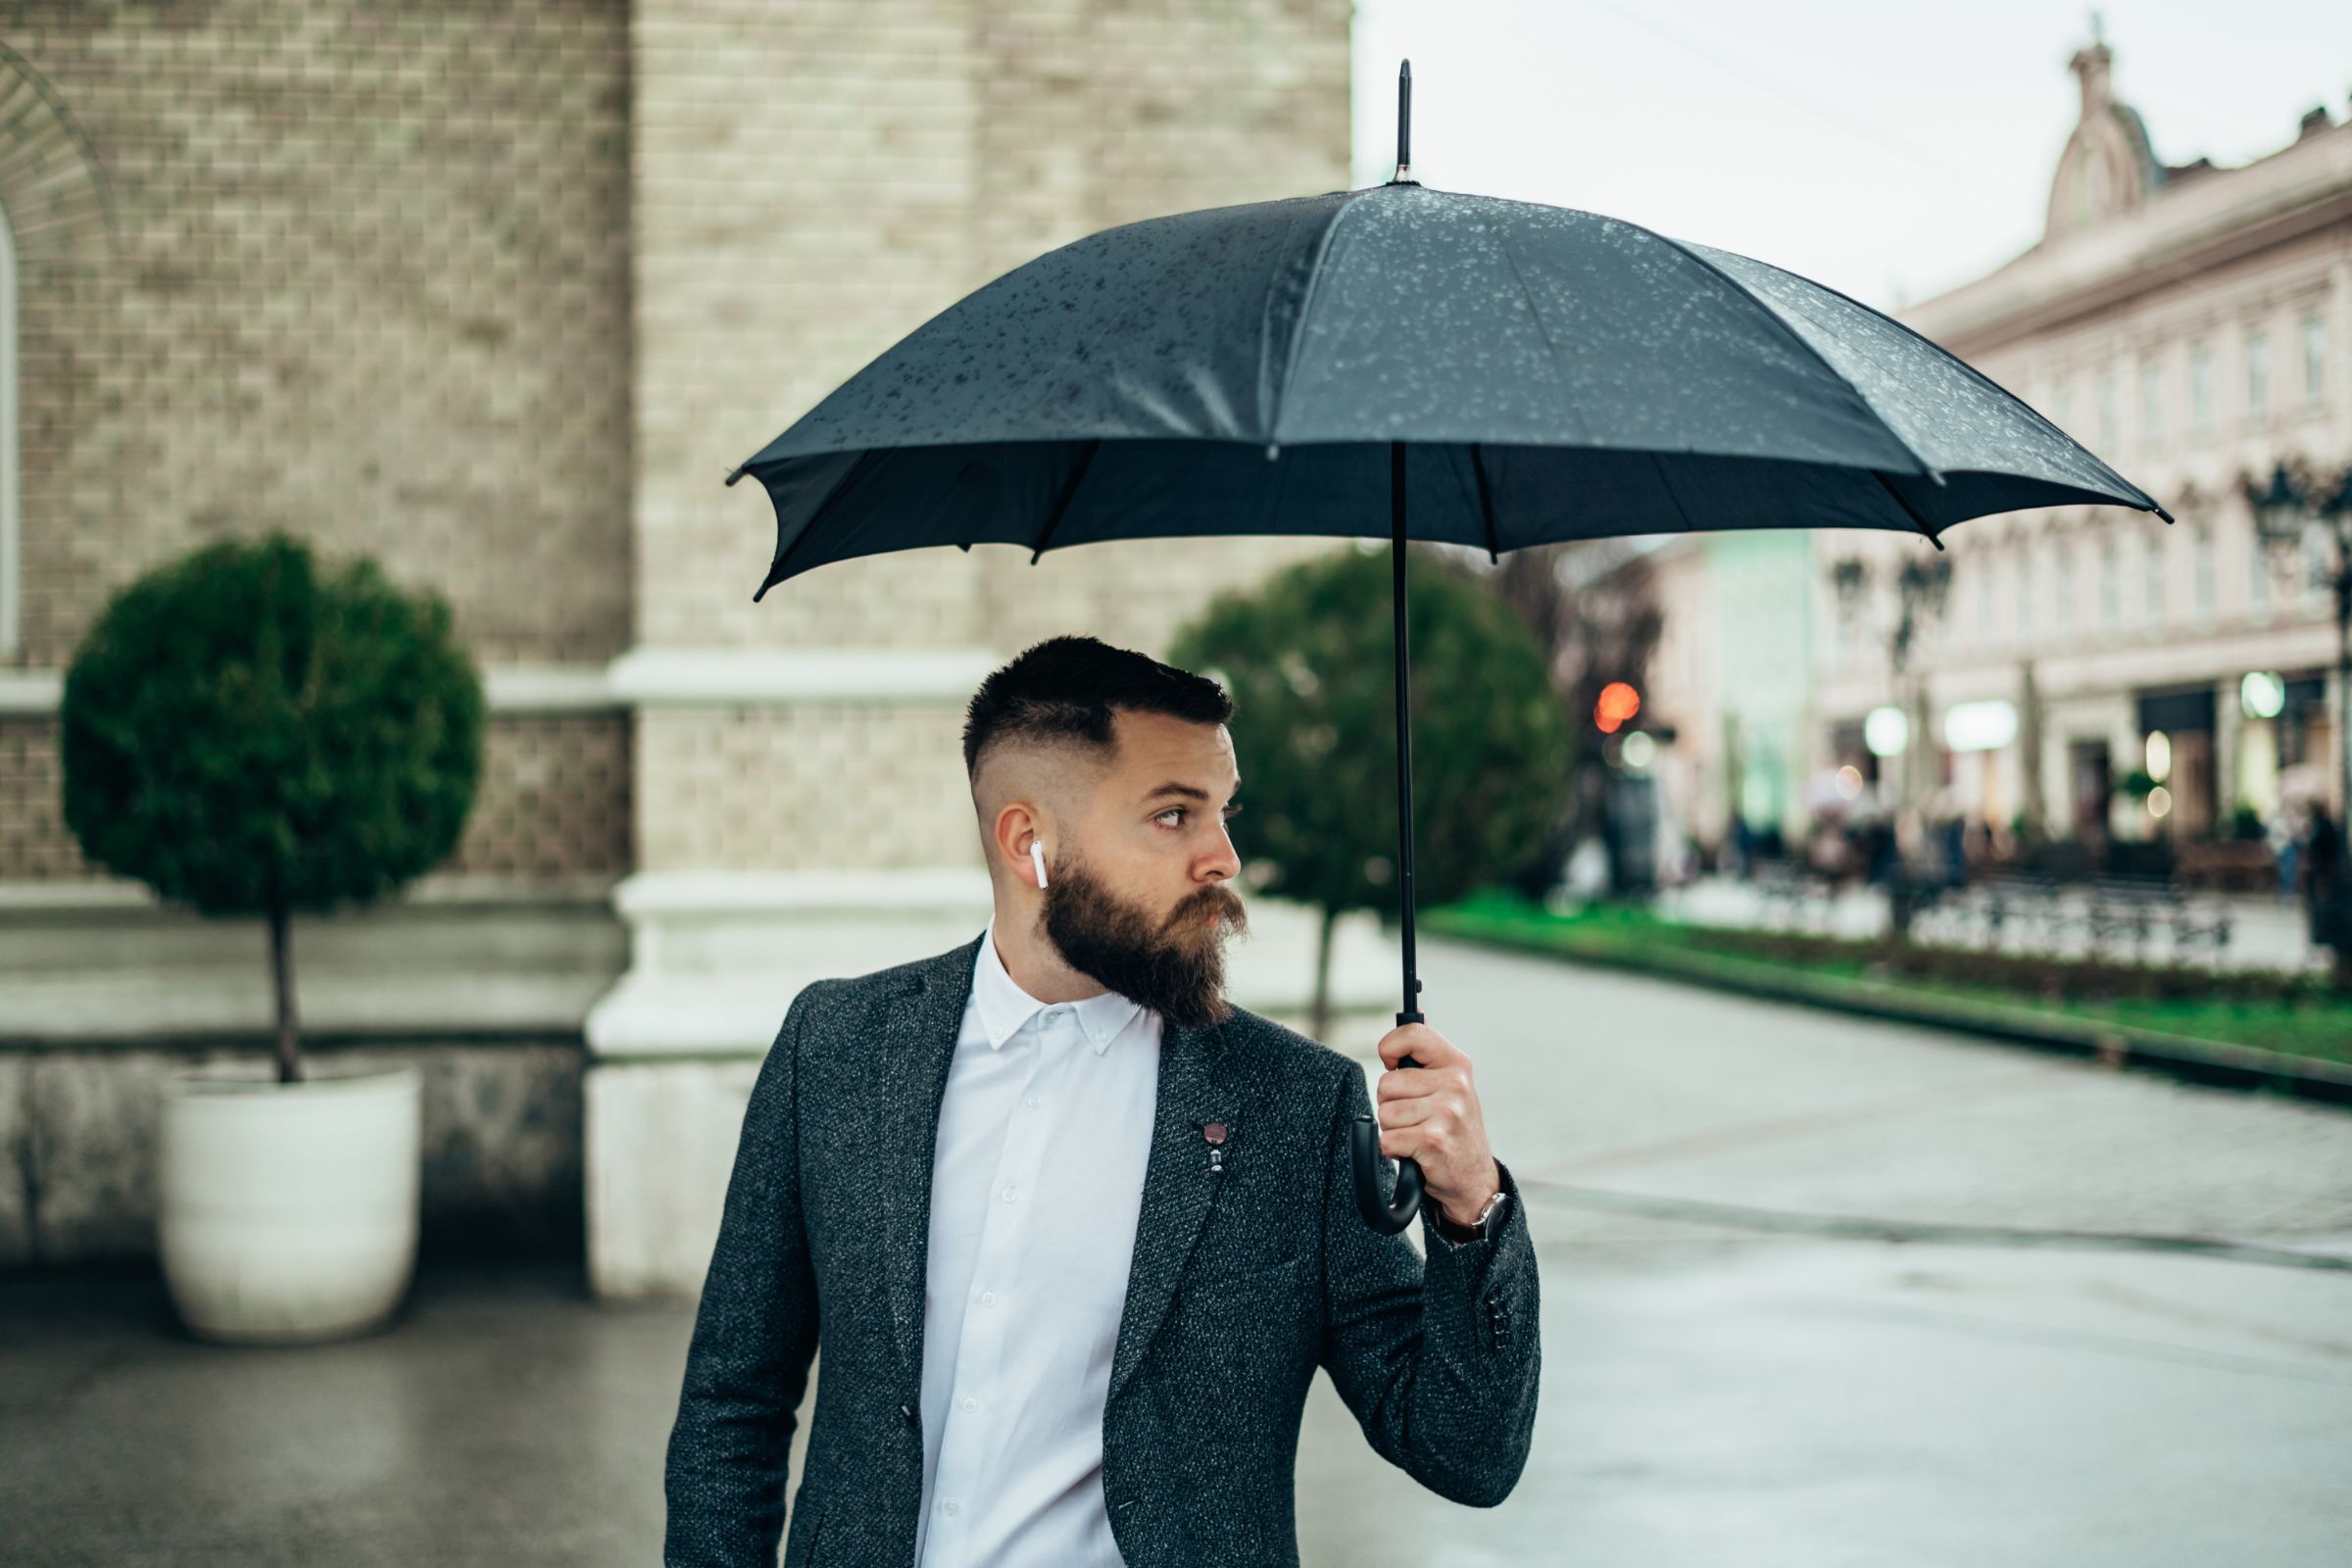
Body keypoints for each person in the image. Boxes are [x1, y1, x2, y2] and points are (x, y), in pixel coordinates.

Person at [662, 635, 1541, 1568]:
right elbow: (736, 1403)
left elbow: (1466, 1453)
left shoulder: (1295, 1106)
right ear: (1028, 841)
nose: (1224, 858)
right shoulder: (835, 1049)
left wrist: (1470, 1206)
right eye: (1173, 816)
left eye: (1222, 813)